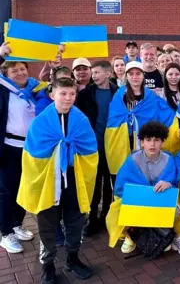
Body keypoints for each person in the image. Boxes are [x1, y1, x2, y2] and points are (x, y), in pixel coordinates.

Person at [18, 78, 98, 283]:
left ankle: (72, 258)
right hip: (48, 183)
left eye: (72, 94)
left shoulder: (81, 120)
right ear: (52, 94)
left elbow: (90, 151)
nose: (68, 98)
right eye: (63, 93)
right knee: (47, 227)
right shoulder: (41, 122)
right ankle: (48, 265)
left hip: (73, 180)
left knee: (75, 222)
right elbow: (32, 157)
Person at [106, 121, 177, 255]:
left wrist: (168, 184)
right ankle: (131, 235)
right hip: (138, 202)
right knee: (116, 210)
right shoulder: (133, 160)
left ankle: (161, 235)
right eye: (148, 140)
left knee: (176, 209)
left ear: (162, 142)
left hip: (158, 201)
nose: (152, 144)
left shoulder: (168, 159)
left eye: (156, 140)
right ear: (142, 142)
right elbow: (121, 188)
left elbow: (173, 183)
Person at [0, 61, 47, 254]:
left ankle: (17, 224)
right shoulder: (3, 90)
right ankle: (5, 233)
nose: (20, 73)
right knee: (6, 192)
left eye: (22, 69)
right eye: (14, 70)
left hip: (31, 148)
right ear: (5, 73)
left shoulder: (35, 88)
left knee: (25, 188)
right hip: (10, 147)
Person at [77, 60, 119, 236]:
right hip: (93, 146)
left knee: (111, 183)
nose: (93, 75)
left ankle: (107, 214)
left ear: (108, 74)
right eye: (92, 73)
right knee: (95, 183)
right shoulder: (86, 94)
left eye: (97, 72)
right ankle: (92, 217)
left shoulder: (118, 93)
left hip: (113, 145)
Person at [104, 61, 161, 176]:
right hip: (123, 137)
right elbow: (114, 117)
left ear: (143, 75)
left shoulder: (150, 95)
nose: (135, 77)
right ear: (126, 76)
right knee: (125, 171)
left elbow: (156, 115)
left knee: (143, 172)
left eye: (138, 73)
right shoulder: (120, 94)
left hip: (144, 137)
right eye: (131, 74)